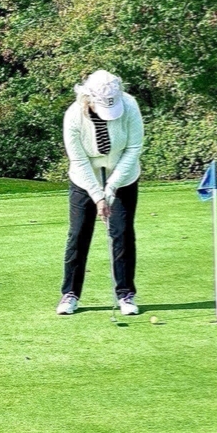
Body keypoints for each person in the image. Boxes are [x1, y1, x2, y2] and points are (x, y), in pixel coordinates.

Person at [57, 70, 144, 316]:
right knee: (78, 234)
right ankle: (70, 293)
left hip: (123, 175)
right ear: (88, 99)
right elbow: (78, 160)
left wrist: (112, 186)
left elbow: (134, 147)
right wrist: (98, 196)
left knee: (122, 232)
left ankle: (125, 293)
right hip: (85, 178)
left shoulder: (129, 105)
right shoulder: (73, 116)